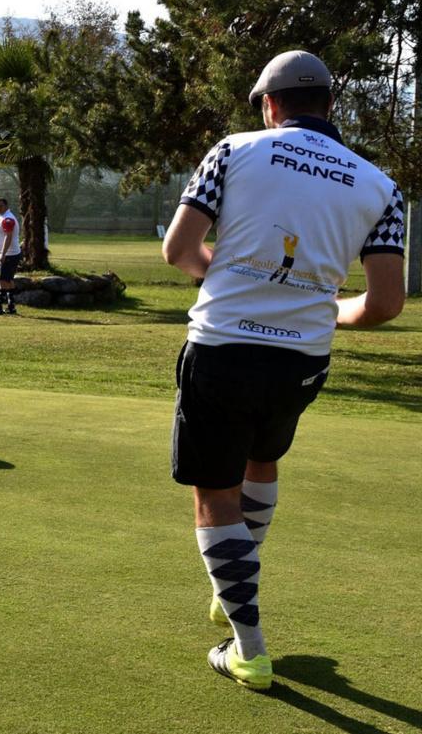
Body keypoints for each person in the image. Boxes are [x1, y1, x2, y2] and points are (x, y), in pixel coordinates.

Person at [162, 50, 405, 692]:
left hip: (223, 348)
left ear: (269, 105)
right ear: (331, 105)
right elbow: (384, 304)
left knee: (213, 493)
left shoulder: (234, 151)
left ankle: (250, 649)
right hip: (302, 361)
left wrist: (230, 276)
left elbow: (178, 250)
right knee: (260, 464)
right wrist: (329, 310)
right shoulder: (380, 185)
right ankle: (233, 584)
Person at [0, 198, 23, 315]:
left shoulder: (8, 219)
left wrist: (3, 254)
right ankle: (11, 306)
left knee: (2, 280)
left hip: (9, 254)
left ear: (6, 205)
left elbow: (8, 237)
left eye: (1, 206)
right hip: (11, 253)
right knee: (8, 280)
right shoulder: (3, 217)